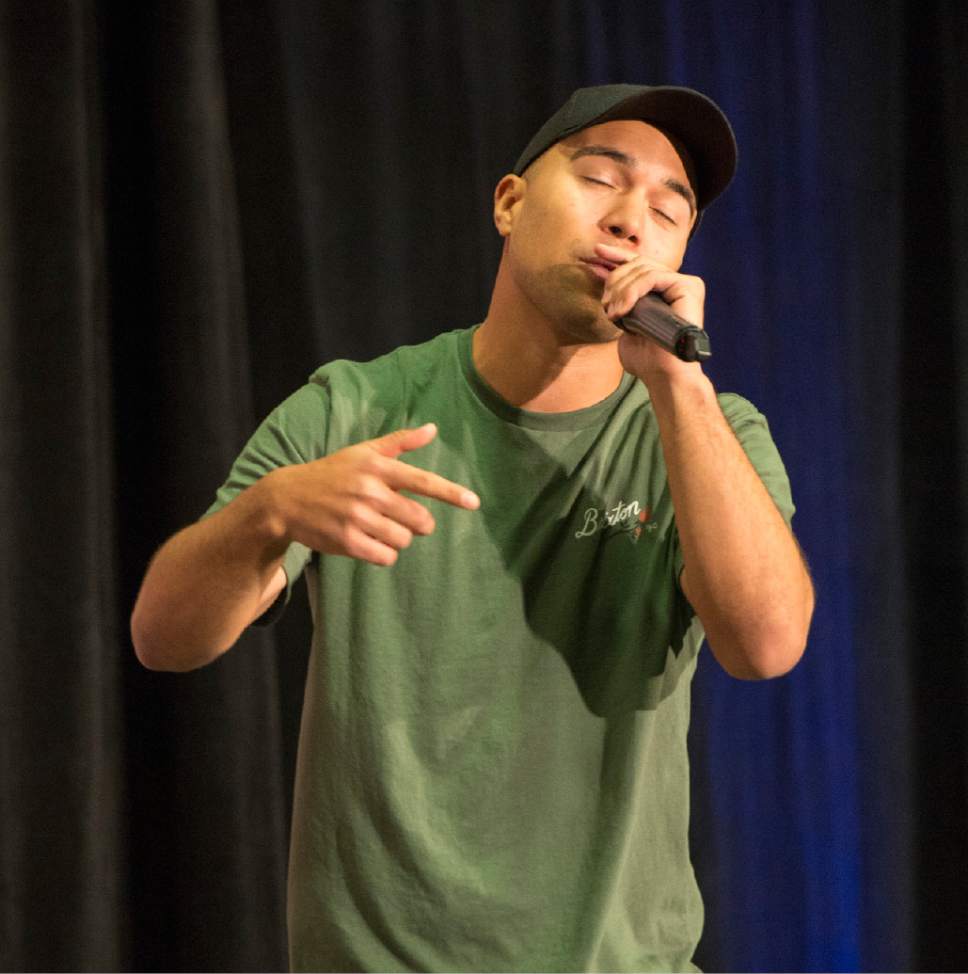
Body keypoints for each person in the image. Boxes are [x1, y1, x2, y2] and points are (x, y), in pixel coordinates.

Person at [131, 83, 814, 972]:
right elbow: (162, 637)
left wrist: (678, 385)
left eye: (667, 209)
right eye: (601, 178)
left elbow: (765, 643)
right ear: (509, 201)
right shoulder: (356, 407)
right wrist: (269, 512)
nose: (629, 222)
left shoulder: (709, 433)